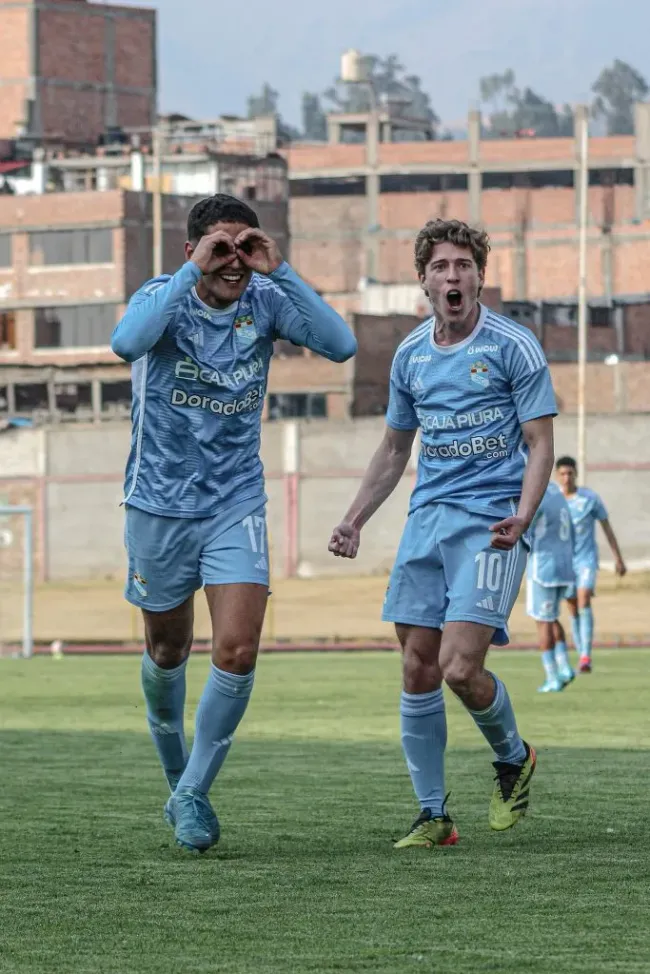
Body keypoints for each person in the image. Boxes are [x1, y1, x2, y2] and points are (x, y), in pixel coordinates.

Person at [111, 194, 357, 852]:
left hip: (234, 501)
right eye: (221, 248)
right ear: (193, 250)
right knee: (166, 649)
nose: (234, 261)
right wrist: (192, 270)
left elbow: (341, 344)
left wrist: (281, 270)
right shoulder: (164, 294)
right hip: (158, 506)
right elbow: (125, 343)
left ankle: (192, 792)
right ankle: (176, 780)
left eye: (242, 247)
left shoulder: (265, 297)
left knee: (238, 650)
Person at [329, 218, 556, 849]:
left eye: (463, 265)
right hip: (426, 523)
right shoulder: (410, 356)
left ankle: (515, 757)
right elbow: (394, 448)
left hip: (491, 525)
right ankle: (434, 816)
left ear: (480, 274)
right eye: (441, 267)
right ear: (422, 278)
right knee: (416, 667)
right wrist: (353, 518)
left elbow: (541, 444)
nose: (452, 277)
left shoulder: (514, 345)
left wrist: (525, 512)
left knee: (460, 667)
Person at [555, 456, 626, 673]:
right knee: (573, 606)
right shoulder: (552, 499)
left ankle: (586, 656)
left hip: (585, 559)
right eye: (563, 474)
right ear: (557, 476)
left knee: (584, 599)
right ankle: (581, 652)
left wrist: (618, 558)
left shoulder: (589, 498)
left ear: (576, 474)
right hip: (563, 561)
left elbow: (606, 527)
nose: (567, 477)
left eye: (570, 473)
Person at [526, 482, 576, 692]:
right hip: (563, 564)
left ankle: (552, 676)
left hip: (543, 566)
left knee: (542, 622)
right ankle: (564, 667)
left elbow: (524, 525)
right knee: (552, 616)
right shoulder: (555, 490)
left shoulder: (536, 492)